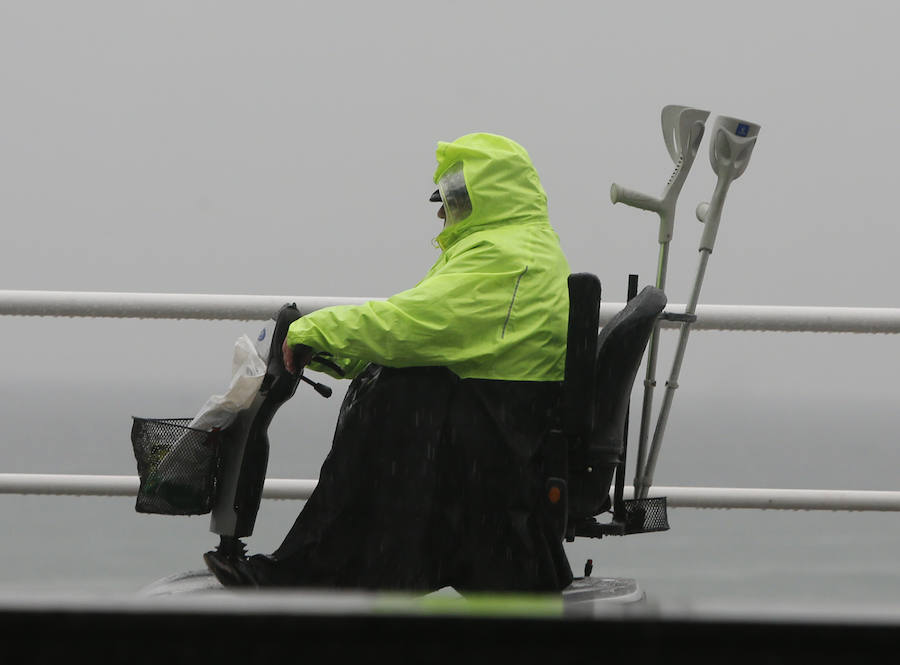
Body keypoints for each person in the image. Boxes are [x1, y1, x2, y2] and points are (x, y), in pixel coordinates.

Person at [204, 132, 574, 593]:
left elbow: (415, 324)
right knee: (390, 382)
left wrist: (313, 331)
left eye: (454, 197)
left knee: (393, 396)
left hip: (495, 436)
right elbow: (421, 330)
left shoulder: (506, 256)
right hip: (500, 428)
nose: (442, 210)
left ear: (489, 197)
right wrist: (337, 355)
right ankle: (322, 567)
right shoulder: (510, 248)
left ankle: (312, 572)